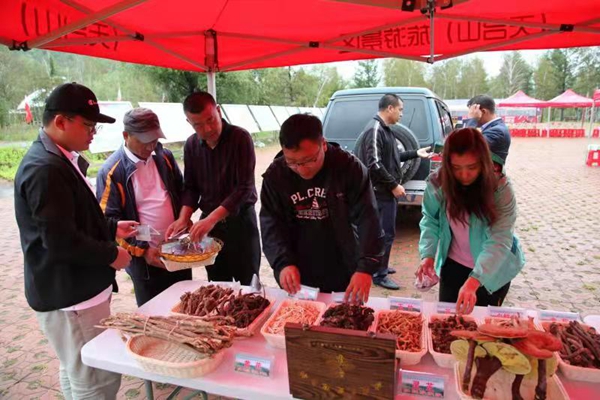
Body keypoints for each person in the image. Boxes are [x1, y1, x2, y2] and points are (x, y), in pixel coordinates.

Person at [14, 82, 137, 399]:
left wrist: (112, 227)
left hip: (74, 292)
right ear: (60, 121)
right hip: (72, 297)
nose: (93, 133)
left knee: (77, 370)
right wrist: (112, 255)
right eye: (88, 125)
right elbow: (62, 242)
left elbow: (71, 219)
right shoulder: (45, 168)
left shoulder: (58, 157)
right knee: (96, 380)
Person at [260, 114, 384, 303]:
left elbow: (368, 218)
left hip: (342, 259)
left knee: (344, 315)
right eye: (292, 162)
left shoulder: (349, 168)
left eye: (309, 160)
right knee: (301, 314)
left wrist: (365, 268)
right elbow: (271, 223)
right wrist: (282, 263)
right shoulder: (276, 175)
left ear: (323, 144)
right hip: (297, 263)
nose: (302, 169)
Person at [416, 127, 525, 315]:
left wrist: (475, 280)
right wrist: (428, 255)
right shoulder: (438, 182)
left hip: (493, 270)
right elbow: (431, 220)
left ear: (483, 162)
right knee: (448, 320)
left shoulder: (500, 187)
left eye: (472, 167)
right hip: (453, 266)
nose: (464, 175)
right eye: (456, 168)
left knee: (481, 325)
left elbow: (500, 239)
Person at [96, 108, 191, 307]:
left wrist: (184, 217)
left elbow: (182, 191)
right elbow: (109, 222)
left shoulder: (164, 156)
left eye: (155, 140)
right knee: (154, 312)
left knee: (186, 306)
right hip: (145, 260)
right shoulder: (112, 171)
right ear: (126, 136)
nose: (151, 146)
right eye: (144, 140)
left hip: (177, 250)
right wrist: (144, 250)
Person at [165, 91, 260, 285]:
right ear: (189, 123)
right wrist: (183, 218)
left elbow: (244, 187)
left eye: (211, 120)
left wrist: (211, 219)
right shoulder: (191, 145)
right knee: (217, 282)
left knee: (248, 282)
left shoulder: (240, 138)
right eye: (198, 125)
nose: (207, 129)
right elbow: (191, 187)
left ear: (218, 111)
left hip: (240, 223)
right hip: (211, 227)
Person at [354, 93, 432, 290]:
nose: (401, 114)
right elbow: (374, 164)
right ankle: (378, 274)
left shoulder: (386, 130)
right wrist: (393, 185)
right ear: (390, 108)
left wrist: (415, 153)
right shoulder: (375, 129)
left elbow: (394, 156)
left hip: (386, 192)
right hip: (380, 192)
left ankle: (381, 266)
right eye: (400, 109)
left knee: (385, 233)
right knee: (384, 234)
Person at [465, 95, 511, 166]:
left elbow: (467, 147)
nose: (470, 115)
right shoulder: (495, 127)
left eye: (472, 112)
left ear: (483, 111)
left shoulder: (497, 131)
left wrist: (472, 120)